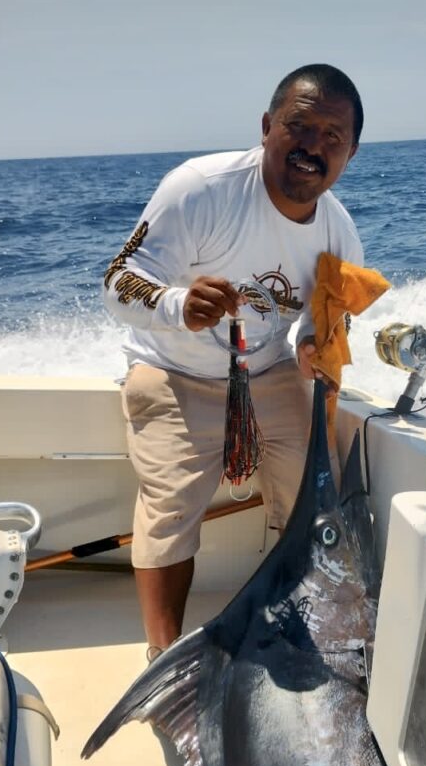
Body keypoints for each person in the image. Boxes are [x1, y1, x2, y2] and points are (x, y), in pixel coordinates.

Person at [104, 63, 364, 659]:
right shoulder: (200, 187)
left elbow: (327, 314)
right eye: (300, 127)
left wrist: (309, 342)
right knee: (169, 506)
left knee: (313, 495)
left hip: (267, 372)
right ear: (268, 126)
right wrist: (176, 304)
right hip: (173, 369)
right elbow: (117, 281)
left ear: (350, 153)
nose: (313, 146)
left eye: (333, 137)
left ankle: (288, 625)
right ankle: (164, 660)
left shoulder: (339, 232)